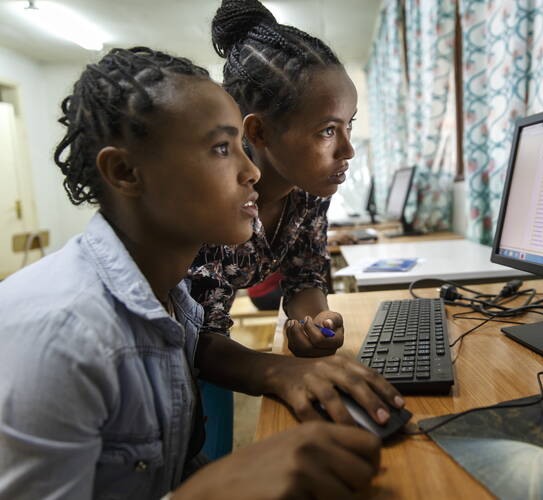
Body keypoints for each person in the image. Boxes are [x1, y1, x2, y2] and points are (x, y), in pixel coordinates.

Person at [0, 47, 403, 499]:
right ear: (125, 171)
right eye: (220, 148)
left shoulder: (176, 309)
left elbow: (161, 471)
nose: (251, 171)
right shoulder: (61, 335)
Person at [189, 0, 358, 358]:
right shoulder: (211, 199)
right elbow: (197, 335)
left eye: (349, 125)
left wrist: (316, 324)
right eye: (328, 130)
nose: (348, 150)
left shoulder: (309, 195)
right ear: (259, 131)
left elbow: (304, 277)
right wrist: (280, 373)